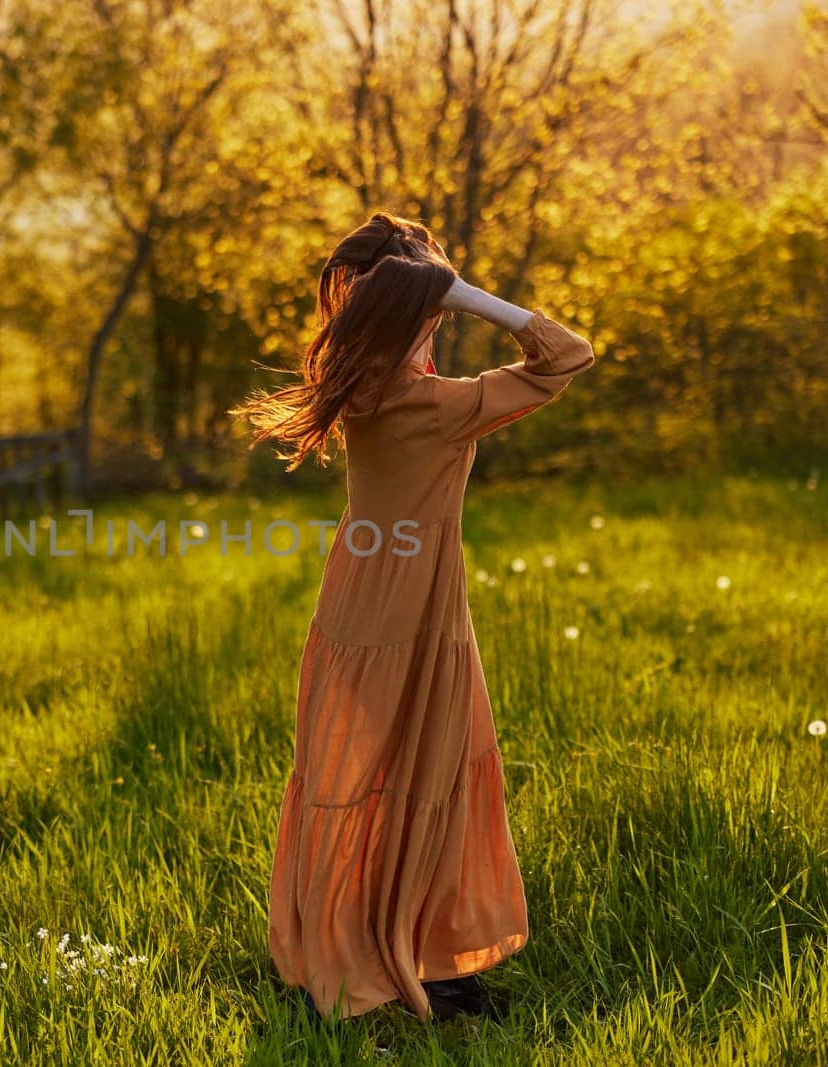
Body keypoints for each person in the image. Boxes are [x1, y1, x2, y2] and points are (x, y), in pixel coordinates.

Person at [231, 211, 597, 1023]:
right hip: (419, 607)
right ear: (424, 317)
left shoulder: (359, 390)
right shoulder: (440, 404)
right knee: (431, 778)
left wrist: (421, 293)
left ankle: (390, 958)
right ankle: (426, 967)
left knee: (358, 782)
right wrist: (470, 296)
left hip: (359, 596)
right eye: (433, 311)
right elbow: (571, 354)